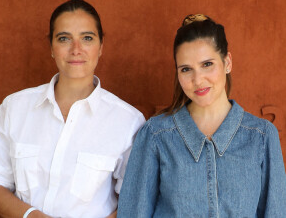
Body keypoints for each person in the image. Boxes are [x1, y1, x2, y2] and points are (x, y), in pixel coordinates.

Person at [0, 0, 145, 218]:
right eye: (64, 39)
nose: (76, 50)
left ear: (101, 46)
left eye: (87, 38)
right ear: (51, 47)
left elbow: (133, 202)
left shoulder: (128, 121)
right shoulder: (14, 108)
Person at [117, 14, 286, 217]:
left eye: (207, 64)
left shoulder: (262, 136)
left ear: (228, 62)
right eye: (186, 69)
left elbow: (276, 212)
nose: (198, 80)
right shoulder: (155, 135)